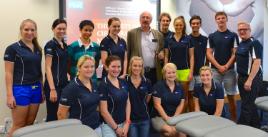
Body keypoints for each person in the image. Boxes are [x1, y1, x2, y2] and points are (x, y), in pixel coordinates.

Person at [4, 19, 43, 137]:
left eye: (32, 30)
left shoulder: (38, 49)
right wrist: (10, 95)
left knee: (29, 124)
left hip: (36, 88)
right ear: (21, 31)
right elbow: (8, 73)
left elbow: (39, 72)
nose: (29, 32)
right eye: (26, 29)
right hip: (21, 89)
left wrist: (41, 90)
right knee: (19, 125)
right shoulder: (12, 49)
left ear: (35, 32)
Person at [57, 55, 102, 136]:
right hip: (80, 130)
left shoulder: (94, 84)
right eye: (86, 67)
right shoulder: (71, 88)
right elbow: (61, 114)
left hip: (96, 127)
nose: (90, 69)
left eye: (92, 66)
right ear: (79, 68)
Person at [206, 12, 238, 121]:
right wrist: (219, 66)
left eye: (223, 18)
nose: (221, 20)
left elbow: (235, 53)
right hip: (215, 71)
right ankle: (218, 119)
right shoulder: (212, 36)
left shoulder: (233, 35)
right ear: (216, 20)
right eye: (218, 18)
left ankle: (233, 120)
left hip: (230, 72)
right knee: (215, 96)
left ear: (226, 19)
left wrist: (226, 66)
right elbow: (209, 53)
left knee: (231, 97)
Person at [164, 16, 194, 112]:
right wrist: (165, 70)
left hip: (185, 71)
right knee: (172, 95)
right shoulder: (168, 39)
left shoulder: (188, 39)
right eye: (176, 25)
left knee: (184, 97)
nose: (178, 27)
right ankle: (173, 116)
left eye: (180, 25)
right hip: (172, 72)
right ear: (173, 25)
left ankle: (183, 117)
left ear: (183, 26)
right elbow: (166, 56)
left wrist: (191, 72)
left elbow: (192, 57)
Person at [236, 21, 263, 128]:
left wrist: (250, 80)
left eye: (245, 29)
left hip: (252, 79)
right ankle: (256, 127)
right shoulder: (241, 43)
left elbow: (257, 62)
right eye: (240, 30)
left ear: (250, 30)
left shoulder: (254, 43)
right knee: (250, 105)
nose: (242, 31)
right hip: (242, 78)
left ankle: (241, 130)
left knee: (246, 106)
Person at [127, 11, 165, 85]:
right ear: (140, 20)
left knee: (154, 94)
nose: (145, 19)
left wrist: (162, 52)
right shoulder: (132, 33)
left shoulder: (158, 34)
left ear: (150, 20)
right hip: (138, 71)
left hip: (154, 72)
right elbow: (128, 52)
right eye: (143, 17)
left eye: (147, 18)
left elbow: (161, 49)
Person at [99, 55, 130, 137]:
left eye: (119, 66)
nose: (116, 69)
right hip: (108, 126)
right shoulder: (103, 85)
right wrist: (116, 128)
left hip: (123, 124)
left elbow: (128, 102)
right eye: (113, 66)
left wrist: (127, 122)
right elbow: (104, 112)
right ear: (107, 67)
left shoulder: (123, 82)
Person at [44, 19, 68, 122]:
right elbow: (47, 67)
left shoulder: (64, 45)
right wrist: (52, 89)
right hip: (53, 86)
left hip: (64, 85)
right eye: (59, 28)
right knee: (53, 116)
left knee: (61, 115)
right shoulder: (50, 45)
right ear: (53, 29)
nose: (62, 31)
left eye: (64, 29)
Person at [152, 63, 185, 137]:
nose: (172, 75)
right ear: (164, 74)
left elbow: (181, 104)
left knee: (183, 133)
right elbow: (157, 105)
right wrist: (168, 119)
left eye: (173, 72)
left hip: (175, 117)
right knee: (171, 131)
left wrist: (175, 118)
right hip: (159, 117)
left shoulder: (180, 86)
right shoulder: (158, 86)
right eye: (169, 73)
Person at [126, 56, 152, 137]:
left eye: (139, 66)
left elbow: (147, 99)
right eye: (135, 65)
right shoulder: (125, 81)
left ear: (142, 67)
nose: (137, 68)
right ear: (130, 66)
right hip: (130, 120)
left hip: (144, 118)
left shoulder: (147, 81)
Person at [188, 15, 208, 112]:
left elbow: (208, 56)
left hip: (201, 73)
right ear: (190, 25)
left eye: (197, 23)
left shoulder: (205, 39)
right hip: (189, 73)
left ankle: (202, 114)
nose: (195, 25)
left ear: (200, 25)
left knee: (202, 95)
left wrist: (206, 69)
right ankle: (192, 114)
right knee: (190, 95)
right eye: (193, 23)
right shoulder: (187, 39)